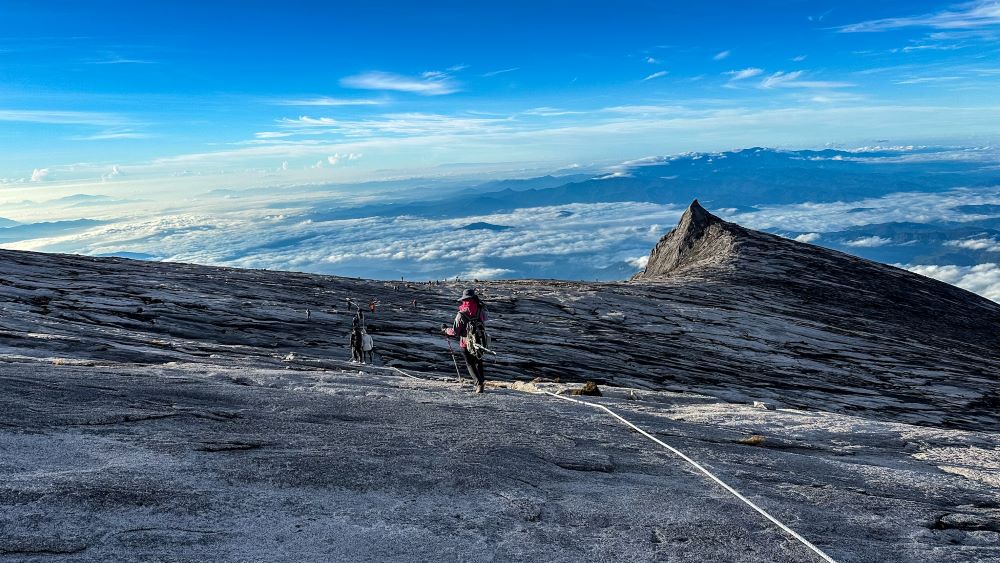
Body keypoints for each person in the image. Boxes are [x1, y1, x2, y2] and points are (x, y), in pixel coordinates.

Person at [443, 288, 488, 393]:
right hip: (480, 340)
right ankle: (482, 382)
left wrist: (445, 330)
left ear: (464, 300)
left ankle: (479, 384)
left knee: (470, 363)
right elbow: (485, 319)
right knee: (478, 361)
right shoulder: (480, 309)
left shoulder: (462, 313)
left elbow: (455, 332)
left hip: (465, 342)